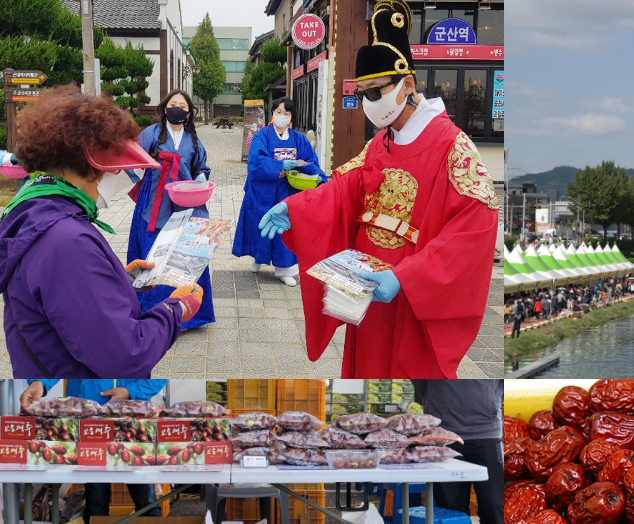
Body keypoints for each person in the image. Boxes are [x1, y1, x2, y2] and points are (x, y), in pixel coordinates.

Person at [259, 0, 497, 378]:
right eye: (362, 92)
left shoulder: (455, 147)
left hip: (411, 291)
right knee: (365, 372)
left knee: (405, 379)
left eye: (374, 92)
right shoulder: (381, 143)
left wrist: (408, 277)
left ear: (408, 84)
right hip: (365, 283)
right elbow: (345, 188)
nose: (367, 103)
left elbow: (473, 229)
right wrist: (298, 208)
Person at [0, 86, 203, 378]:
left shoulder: (36, 212)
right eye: (112, 167)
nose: (116, 175)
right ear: (87, 160)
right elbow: (126, 355)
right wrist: (175, 310)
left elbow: (65, 298)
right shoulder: (65, 240)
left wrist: (121, 280)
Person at [127, 89, 214, 330]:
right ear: (165, 108)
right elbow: (130, 154)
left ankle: (190, 315)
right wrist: (137, 179)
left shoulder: (193, 139)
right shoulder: (151, 133)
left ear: (188, 113)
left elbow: (202, 167)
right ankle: (150, 310)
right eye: (173, 104)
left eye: (182, 106)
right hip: (154, 200)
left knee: (185, 253)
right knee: (153, 252)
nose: (177, 109)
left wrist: (201, 179)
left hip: (186, 201)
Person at [20, 380, 167, 522]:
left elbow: (163, 366)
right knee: (96, 496)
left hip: (132, 416)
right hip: (87, 418)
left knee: (144, 492)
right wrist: (39, 382)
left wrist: (131, 391)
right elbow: (54, 358)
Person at [412, 381, 503, 524]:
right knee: (450, 505)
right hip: (442, 433)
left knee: (495, 502)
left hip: (486, 432)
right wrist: (435, 400)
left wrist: (491, 402)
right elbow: (420, 379)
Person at [233, 97, 326, 286]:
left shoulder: (299, 139)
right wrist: (279, 165)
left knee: (285, 228)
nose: (282, 116)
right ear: (273, 113)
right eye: (278, 112)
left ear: (291, 118)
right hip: (263, 191)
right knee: (261, 226)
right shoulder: (262, 136)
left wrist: (320, 177)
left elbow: (310, 161)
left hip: (288, 192)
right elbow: (256, 162)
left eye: (286, 113)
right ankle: (258, 258)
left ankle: (286, 269)